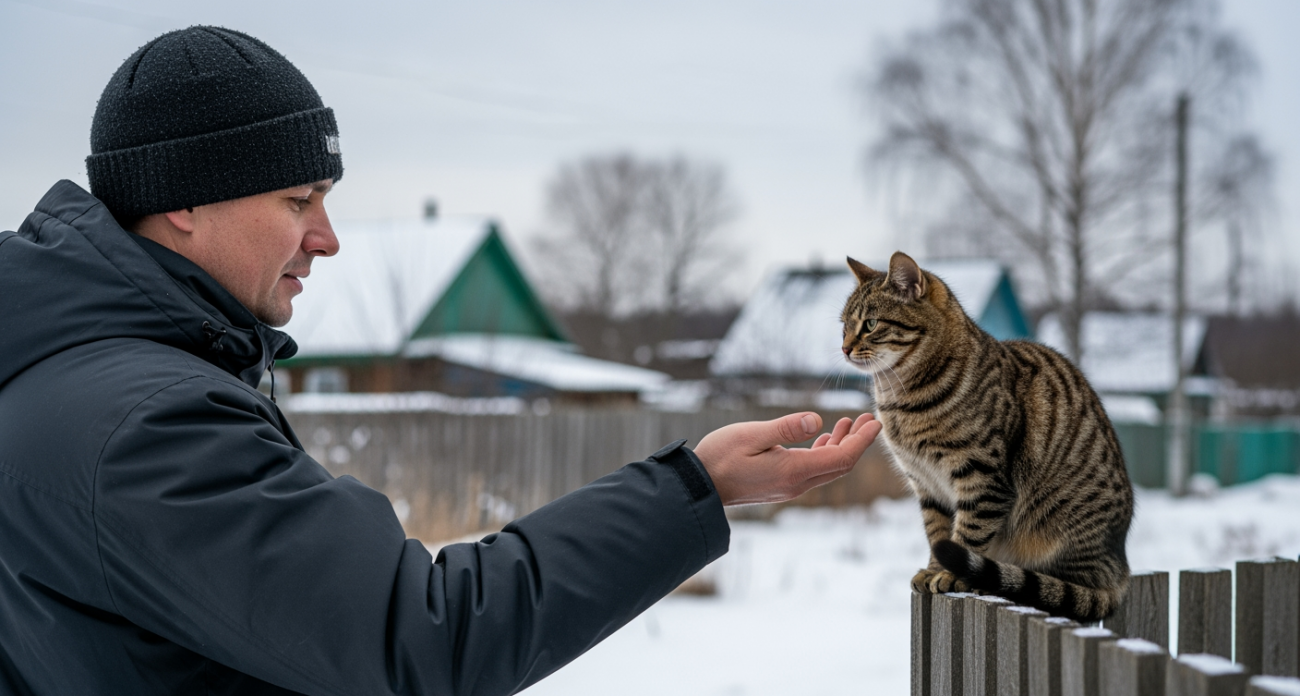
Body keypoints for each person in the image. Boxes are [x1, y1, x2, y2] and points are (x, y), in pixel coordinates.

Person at [0, 26, 880, 696]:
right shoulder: (145, 425)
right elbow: (420, 637)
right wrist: (696, 488)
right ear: (185, 201)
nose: (326, 237)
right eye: (297, 198)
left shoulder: (55, 375)